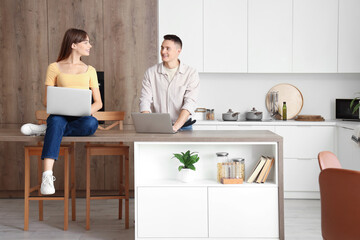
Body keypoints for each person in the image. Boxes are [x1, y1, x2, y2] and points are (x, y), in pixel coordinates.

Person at [21, 28, 102, 195]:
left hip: (81, 118)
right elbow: (46, 101)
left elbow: (98, 103)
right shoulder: (54, 67)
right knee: (56, 121)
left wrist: (85, 110)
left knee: (92, 123)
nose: (90, 45)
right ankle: (47, 175)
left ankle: (46, 130)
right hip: (59, 115)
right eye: (85, 42)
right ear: (73, 45)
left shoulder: (90, 70)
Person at [139, 34, 200, 132]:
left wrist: (175, 127)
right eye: (162, 48)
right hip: (158, 126)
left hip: (183, 126)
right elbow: (145, 101)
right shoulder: (151, 73)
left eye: (168, 48)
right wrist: (148, 125)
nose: (163, 51)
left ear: (178, 51)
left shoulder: (191, 73)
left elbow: (190, 103)